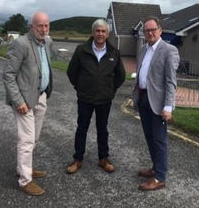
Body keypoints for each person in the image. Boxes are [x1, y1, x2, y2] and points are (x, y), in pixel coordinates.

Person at [2, 11, 53, 196]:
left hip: (40, 96)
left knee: (35, 137)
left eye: (47, 25)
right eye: (40, 25)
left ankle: (23, 168)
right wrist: (18, 101)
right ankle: (25, 180)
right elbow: (8, 75)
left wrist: (45, 93)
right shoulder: (20, 44)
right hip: (24, 101)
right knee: (26, 140)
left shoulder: (47, 42)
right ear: (32, 26)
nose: (44, 29)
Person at [66, 19, 125, 174]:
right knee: (82, 129)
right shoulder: (81, 50)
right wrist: (79, 88)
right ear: (93, 32)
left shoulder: (114, 53)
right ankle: (78, 159)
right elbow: (71, 72)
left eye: (103, 31)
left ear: (107, 34)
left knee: (102, 129)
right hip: (85, 98)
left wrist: (111, 91)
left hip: (104, 99)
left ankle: (103, 159)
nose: (100, 34)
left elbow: (121, 76)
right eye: (97, 31)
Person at [132, 16, 180, 191]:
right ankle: (155, 167)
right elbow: (141, 75)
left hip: (158, 103)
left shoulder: (169, 50)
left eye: (153, 29)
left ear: (160, 30)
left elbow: (171, 81)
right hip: (144, 98)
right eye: (147, 30)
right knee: (149, 136)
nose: (150, 33)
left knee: (159, 140)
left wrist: (168, 107)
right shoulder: (144, 49)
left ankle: (160, 177)